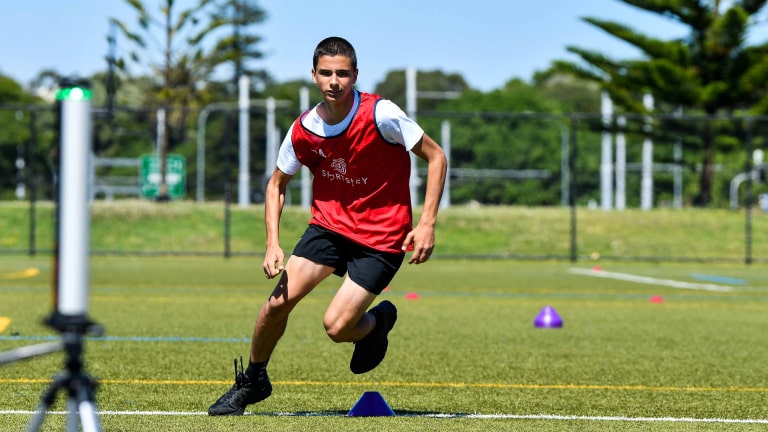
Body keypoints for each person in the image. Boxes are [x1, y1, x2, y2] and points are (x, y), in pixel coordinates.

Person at [208, 36, 447, 416]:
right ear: (314, 76)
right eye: (326, 73)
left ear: (355, 75)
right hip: (329, 227)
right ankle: (253, 381)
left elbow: (436, 157)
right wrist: (272, 243)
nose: (334, 81)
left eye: (342, 73)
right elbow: (276, 185)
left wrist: (427, 223)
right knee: (275, 306)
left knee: (336, 327)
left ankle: (376, 324)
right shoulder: (304, 129)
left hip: (382, 238)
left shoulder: (381, 114)